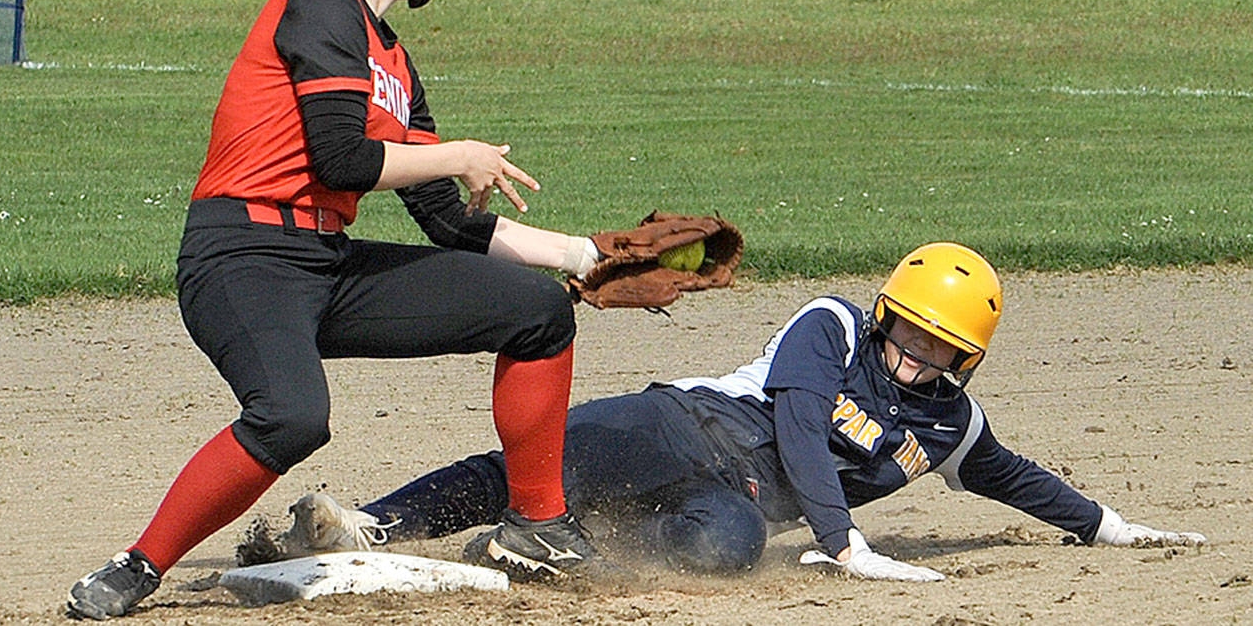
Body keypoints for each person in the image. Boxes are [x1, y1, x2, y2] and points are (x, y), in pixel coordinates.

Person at [65, 0, 607, 620]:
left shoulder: (393, 58)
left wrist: (581, 253)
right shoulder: (319, 6)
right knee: (292, 415)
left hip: (325, 261)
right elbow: (343, 161)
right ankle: (138, 565)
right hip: (239, 258)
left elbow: (447, 222)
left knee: (534, 311)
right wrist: (458, 152)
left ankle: (535, 526)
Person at [271, 242, 1205, 580]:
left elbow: (1011, 477)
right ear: (886, 317)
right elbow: (800, 425)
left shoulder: (948, 427)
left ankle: (543, 553)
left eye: (938, 351)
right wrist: (843, 542)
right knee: (535, 459)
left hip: (738, 493)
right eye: (908, 334)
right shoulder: (831, 324)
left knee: (728, 550)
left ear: (963, 361)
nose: (914, 356)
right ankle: (367, 521)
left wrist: (1107, 526)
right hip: (684, 424)